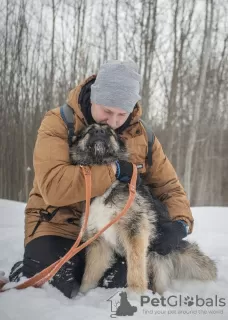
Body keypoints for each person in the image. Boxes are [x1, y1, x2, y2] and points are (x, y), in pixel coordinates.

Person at [9, 59, 194, 298]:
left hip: (113, 231)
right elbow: (54, 187)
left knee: (115, 286)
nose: (114, 121)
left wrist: (180, 223)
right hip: (58, 223)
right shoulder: (58, 122)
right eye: (107, 111)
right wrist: (114, 170)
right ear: (93, 97)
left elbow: (169, 187)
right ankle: (23, 270)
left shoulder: (142, 134)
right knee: (50, 286)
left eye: (122, 113)